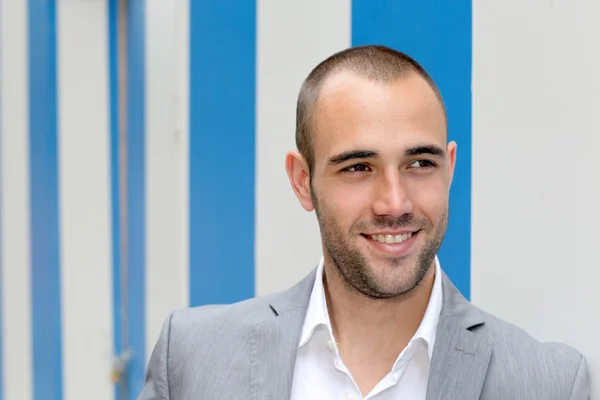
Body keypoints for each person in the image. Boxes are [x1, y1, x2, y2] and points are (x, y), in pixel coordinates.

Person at [138, 45, 589, 399]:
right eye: (358, 167)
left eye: (420, 163)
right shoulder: (193, 359)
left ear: (450, 168)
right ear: (301, 181)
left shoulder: (549, 383)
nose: (394, 203)